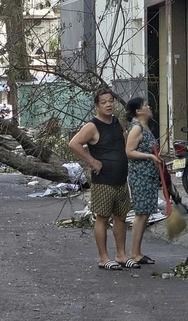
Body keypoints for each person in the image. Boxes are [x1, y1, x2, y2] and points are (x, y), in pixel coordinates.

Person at [69, 88, 130, 270]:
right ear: (97, 105)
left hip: (120, 178)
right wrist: (92, 161)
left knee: (121, 217)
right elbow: (73, 144)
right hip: (103, 181)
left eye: (110, 100)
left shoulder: (116, 122)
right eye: (103, 102)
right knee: (102, 218)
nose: (108, 104)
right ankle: (104, 258)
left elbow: (123, 142)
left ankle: (121, 255)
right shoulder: (92, 126)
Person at [124, 96, 161, 267]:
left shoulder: (145, 127)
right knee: (141, 214)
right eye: (146, 105)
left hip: (149, 176)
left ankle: (137, 251)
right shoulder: (136, 128)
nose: (149, 107)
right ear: (138, 111)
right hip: (140, 176)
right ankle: (133, 253)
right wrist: (149, 156)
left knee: (145, 213)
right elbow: (129, 151)